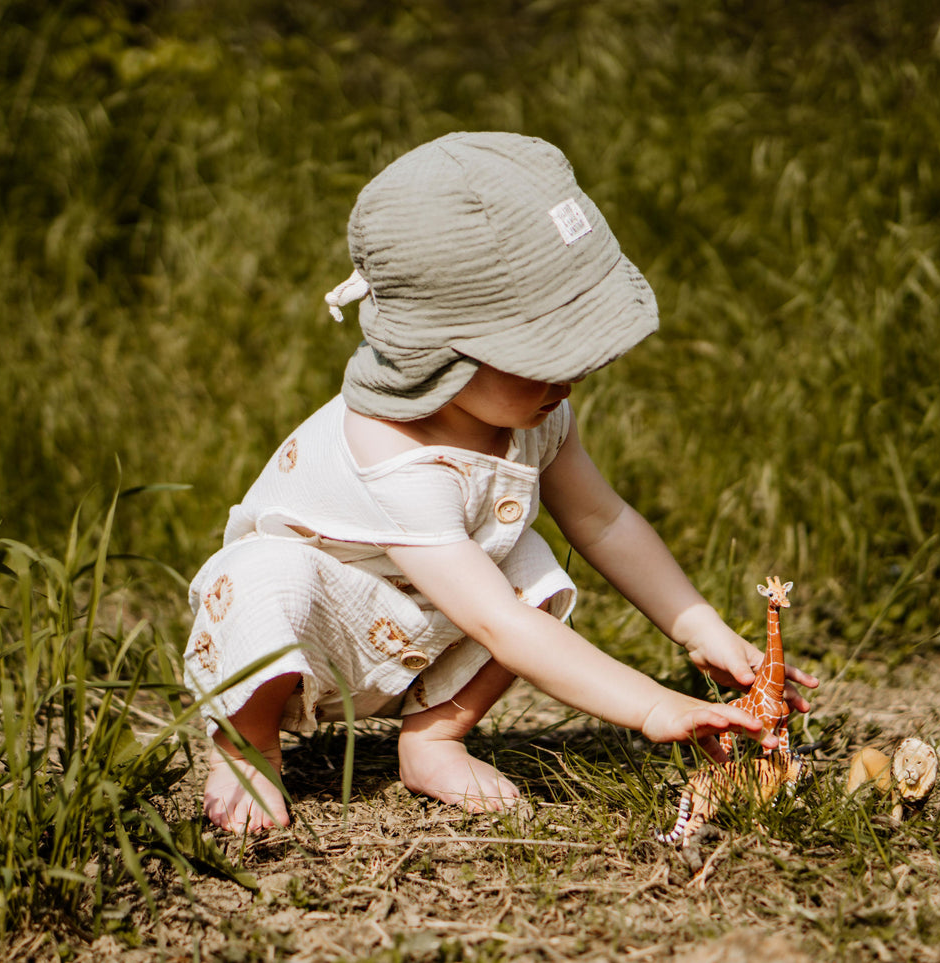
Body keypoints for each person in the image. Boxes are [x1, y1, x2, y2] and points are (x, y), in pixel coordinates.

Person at [184, 131, 817, 833]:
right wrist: (650, 705)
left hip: (423, 609)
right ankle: (247, 741)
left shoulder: (536, 410)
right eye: (543, 356)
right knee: (266, 577)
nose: (568, 377)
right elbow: (496, 624)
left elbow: (602, 520)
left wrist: (700, 627)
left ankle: (432, 738)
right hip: (318, 625)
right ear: (444, 354)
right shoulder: (394, 453)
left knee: (529, 566)